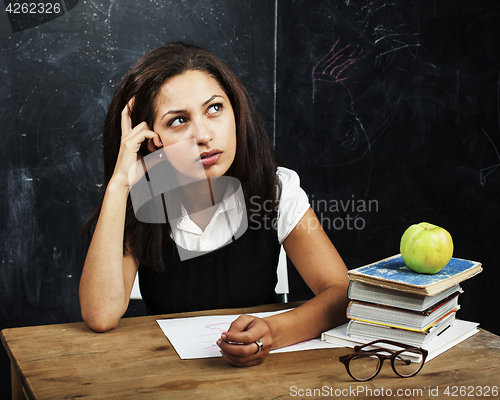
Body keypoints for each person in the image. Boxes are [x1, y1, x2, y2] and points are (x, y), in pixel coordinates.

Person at [79, 42, 350, 367]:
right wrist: (120, 184)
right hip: (169, 377)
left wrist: (274, 331)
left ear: (235, 111)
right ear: (152, 140)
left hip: (263, 376)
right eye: (178, 120)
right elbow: (101, 314)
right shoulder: (141, 196)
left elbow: (340, 292)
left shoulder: (276, 189)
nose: (204, 134)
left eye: (214, 108)